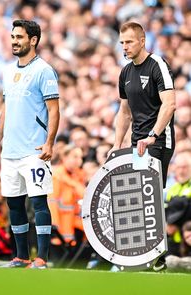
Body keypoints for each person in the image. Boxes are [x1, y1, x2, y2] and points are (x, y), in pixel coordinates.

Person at [0, 20, 60, 269]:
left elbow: (54, 110)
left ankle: (42, 258)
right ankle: (20, 257)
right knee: (14, 203)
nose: (14, 41)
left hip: (34, 151)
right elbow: (6, 110)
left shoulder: (44, 71)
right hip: (10, 152)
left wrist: (50, 142)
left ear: (33, 40)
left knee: (38, 202)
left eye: (19, 37)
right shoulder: (9, 71)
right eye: (12, 36)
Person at [108, 22, 176, 271]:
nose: (124, 47)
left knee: (150, 198)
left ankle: (155, 259)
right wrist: (117, 144)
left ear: (142, 40)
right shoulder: (125, 72)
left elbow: (169, 104)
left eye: (129, 42)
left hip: (158, 141)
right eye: (122, 42)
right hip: (137, 144)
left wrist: (152, 135)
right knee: (134, 197)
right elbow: (124, 112)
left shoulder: (157, 64)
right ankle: (138, 257)